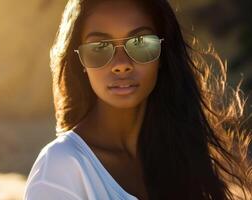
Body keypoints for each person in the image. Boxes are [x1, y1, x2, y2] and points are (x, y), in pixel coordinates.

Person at [24, 0, 252, 199]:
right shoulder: (60, 167)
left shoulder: (178, 155)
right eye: (99, 47)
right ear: (81, 62)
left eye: (141, 43)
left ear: (163, 54)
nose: (121, 63)